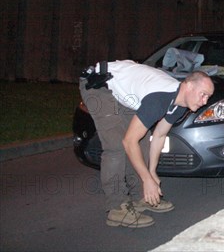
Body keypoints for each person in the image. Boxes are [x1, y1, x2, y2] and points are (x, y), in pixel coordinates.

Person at [79, 60, 214, 228]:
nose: (205, 101)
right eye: (203, 94)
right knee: (117, 145)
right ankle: (116, 206)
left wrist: (151, 173)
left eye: (208, 97)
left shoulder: (180, 104)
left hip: (123, 92)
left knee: (143, 138)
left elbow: (159, 135)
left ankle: (141, 196)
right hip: (100, 84)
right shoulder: (160, 98)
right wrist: (147, 179)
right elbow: (129, 142)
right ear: (188, 87)